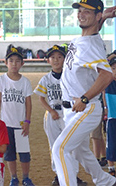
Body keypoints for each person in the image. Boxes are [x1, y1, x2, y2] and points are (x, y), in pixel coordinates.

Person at [52, 0, 116, 186]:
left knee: (60, 149)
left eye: (87, 11)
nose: (81, 14)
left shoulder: (91, 45)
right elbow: (93, 31)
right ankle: (104, 179)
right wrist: (103, 17)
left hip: (84, 108)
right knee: (79, 150)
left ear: (96, 15)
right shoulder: (85, 38)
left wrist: (85, 98)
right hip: (72, 109)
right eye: (80, 10)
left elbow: (107, 76)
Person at [33, 45, 87, 186]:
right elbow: (41, 98)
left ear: (65, 59)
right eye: (53, 57)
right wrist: (51, 111)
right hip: (52, 115)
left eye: (59, 57)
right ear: (48, 60)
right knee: (54, 145)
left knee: (72, 145)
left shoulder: (70, 76)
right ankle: (59, 175)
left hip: (68, 112)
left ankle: (73, 175)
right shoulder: (46, 79)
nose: (56, 60)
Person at [0, 45, 34, 186]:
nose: (14, 64)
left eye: (18, 61)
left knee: (24, 154)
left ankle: (26, 177)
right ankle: (14, 177)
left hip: (21, 125)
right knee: (9, 154)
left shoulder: (25, 82)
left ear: (22, 63)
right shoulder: (1, 80)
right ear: (6, 63)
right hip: (5, 125)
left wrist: (27, 121)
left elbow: (28, 104)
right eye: (11, 61)